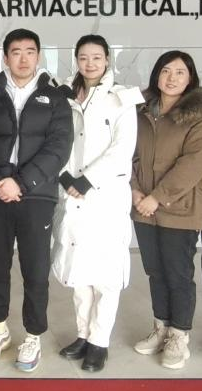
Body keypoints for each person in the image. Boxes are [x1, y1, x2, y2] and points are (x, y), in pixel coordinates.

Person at [0, 28, 73, 372]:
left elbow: (59, 147)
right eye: (16, 52)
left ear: (38, 56)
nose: (23, 59)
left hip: (36, 194)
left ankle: (33, 335)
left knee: (35, 269)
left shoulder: (56, 98)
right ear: (5, 57)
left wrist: (22, 182)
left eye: (29, 52)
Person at [51, 35, 142, 373]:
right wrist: (64, 177)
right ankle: (82, 334)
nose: (90, 64)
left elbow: (123, 148)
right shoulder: (64, 96)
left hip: (104, 196)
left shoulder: (122, 98)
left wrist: (87, 180)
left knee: (105, 274)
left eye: (96, 57)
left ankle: (99, 342)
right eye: (83, 57)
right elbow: (56, 140)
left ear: (107, 60)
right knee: (79, 270)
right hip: (72, 194)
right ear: (76, 60)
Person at [130, 51, 202, 370]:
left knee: (178, 274)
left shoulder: (197, 116)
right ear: (156, 75)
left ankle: (179, 335)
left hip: (179, 208)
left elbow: (193, 164)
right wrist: (135, 189)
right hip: (143, 206)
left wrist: (157, 197)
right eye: (166, 71)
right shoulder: (142, 111)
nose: (172, 78)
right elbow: (130, 153)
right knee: (155, 271)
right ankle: (161, 327)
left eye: (180, 72)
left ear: (190, 78)